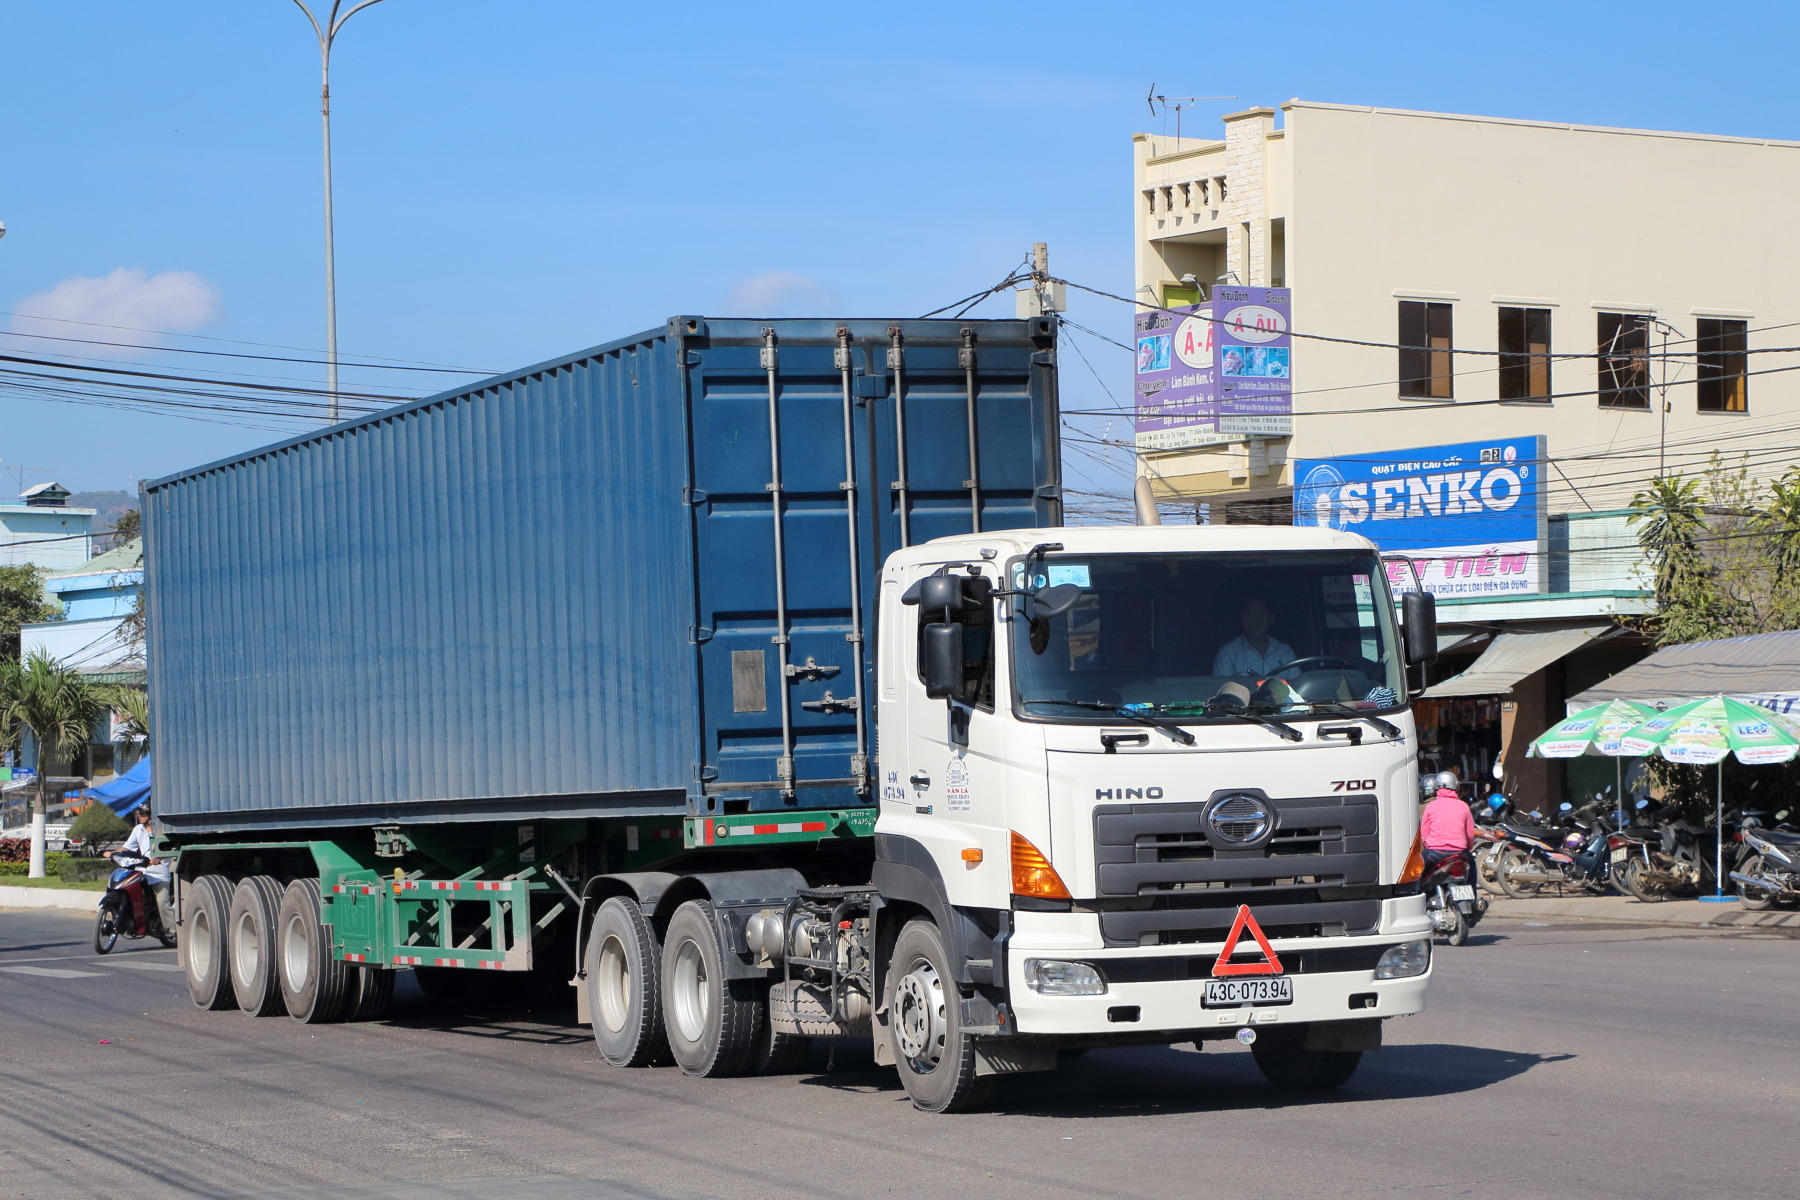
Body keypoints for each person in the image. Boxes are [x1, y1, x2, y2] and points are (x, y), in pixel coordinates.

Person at [1212, 597, 1296, 677]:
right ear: (1241, 618)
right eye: (1248, 613)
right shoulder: (1228, 653)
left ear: (1271, 618)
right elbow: (1220, 689)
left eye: (1260, 613)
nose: (1254, 620)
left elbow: (1298, 688)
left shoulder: (1285, 652)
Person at [122, 805, 172, 936]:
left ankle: (172, 930)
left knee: (162, 902)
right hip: (142, 871)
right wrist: (111, 853)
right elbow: (127, 848)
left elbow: (171, 848)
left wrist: (158, 859)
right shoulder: (138, 829)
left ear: (151, 816)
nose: (139, 816)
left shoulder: (160, 831)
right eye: (139, 814)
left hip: (159, 873)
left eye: (143, 814)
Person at [1420, 783, 1477, 866]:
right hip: (1459, 853)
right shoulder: (1464, 806)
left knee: (1418, 871)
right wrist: (1468, 847)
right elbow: (1470, 833)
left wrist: (1428, 845)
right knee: (1472, 867)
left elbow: (1424, 832)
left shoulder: (1430, 806)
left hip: (1435, 853)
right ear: (1456, 789)